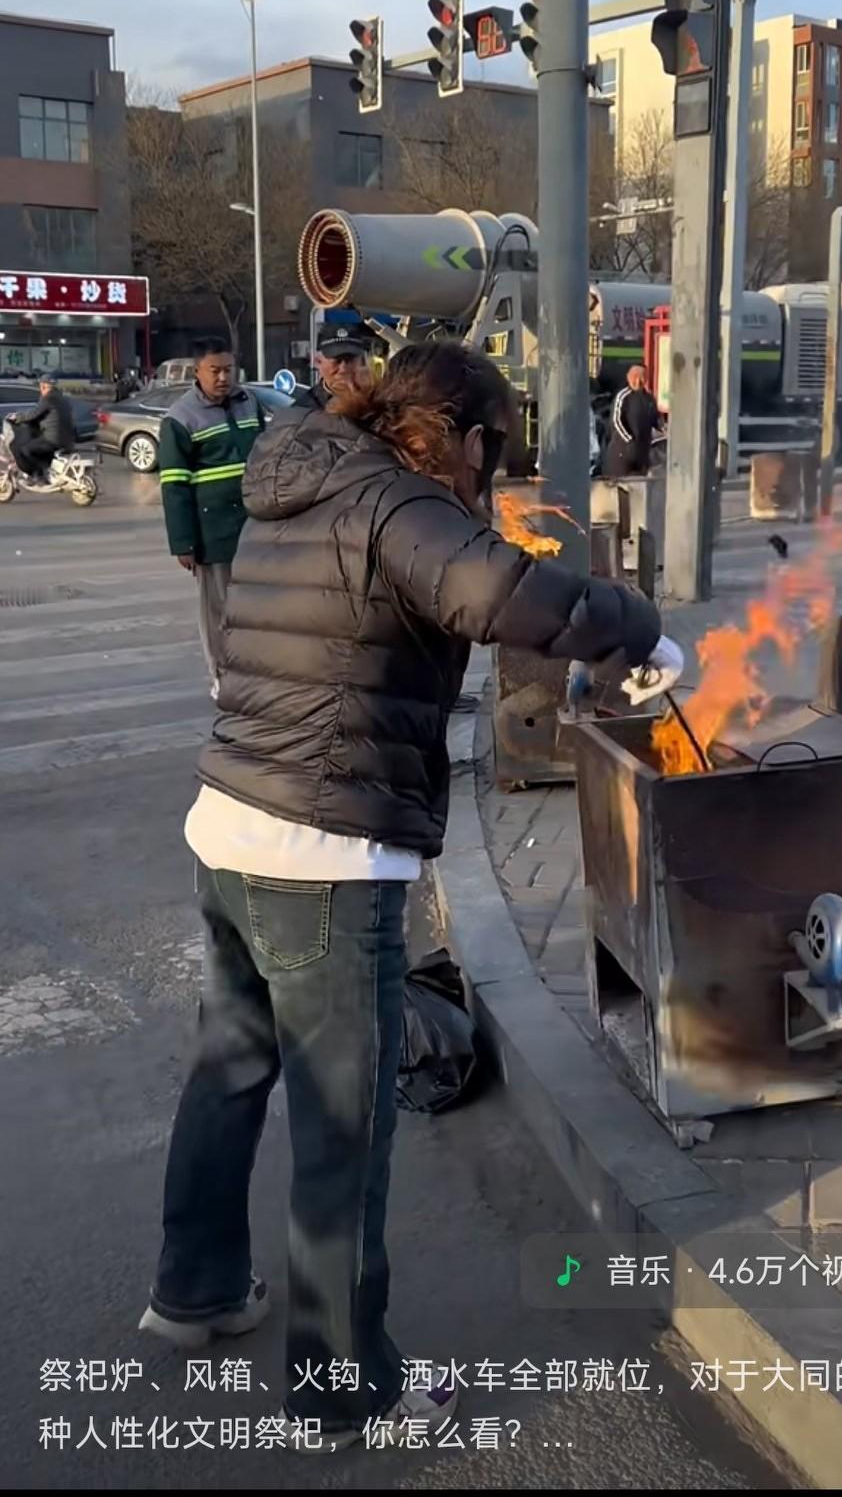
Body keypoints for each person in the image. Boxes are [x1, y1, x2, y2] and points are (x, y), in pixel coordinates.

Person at [138, 339, 684, 1450]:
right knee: (342, 1128)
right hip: (323, 853)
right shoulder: (398, 500)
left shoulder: (307, 466)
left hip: (229, 822)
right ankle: (343, 1388)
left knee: (229, 1069)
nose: (493, 475)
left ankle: (194, 1291)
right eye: (495, 450)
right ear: (464, 436)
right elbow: (499, 591)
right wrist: (637, 625)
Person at [157, 339, 266, 700]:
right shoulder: (180, 418)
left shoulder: (249, 402)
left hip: (255, 527)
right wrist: (183, 543)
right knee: (218, 611)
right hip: (212, 532)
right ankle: (221, 675)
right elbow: (174, 485)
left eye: (228, 370)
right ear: (197, 372)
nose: (223, 378)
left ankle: (253, 670)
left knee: (255, 607)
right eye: (215, 370)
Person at [10, 375, 75, 479]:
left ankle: (38, 475)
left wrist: (17, 417)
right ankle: (46, 469)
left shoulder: (48, 399)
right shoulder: (62, 398)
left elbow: (33, 414)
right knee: (38, 445)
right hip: (68, 440)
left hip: (53, 440)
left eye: (41, 386)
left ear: (44, 386)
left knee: (25, 449)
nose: (40, 390)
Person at [604, 364, 662, 478]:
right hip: (623, 453)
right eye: (634, 377)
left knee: (641, 484)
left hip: (642, 454)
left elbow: (656, 420)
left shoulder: (649, 399)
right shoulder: (623, 396)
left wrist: (663, 429)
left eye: (642, 377)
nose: (638, 381)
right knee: (621, 484)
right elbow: (616, 421)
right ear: (628, 377)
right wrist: (630, 441)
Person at [310, 334, 371, 408]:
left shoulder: (376, 404)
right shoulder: (305, 407)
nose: (343, 369)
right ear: (318, 362)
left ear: (363, 362)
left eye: (349, 360)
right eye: (337, 361)